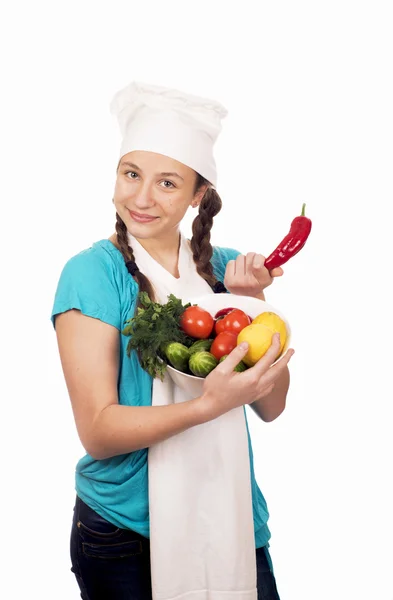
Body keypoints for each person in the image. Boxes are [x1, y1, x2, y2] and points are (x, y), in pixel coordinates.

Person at [51, 81, 295, 600]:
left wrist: (255, 306)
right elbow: (98, 430)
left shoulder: (225, 268)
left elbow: (271, 406)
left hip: (229, 513)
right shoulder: (93, 274)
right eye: (131, 174)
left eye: (167, 183)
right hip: (125, 532)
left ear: (197, 195)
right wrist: (207, 408)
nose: (141, 198)